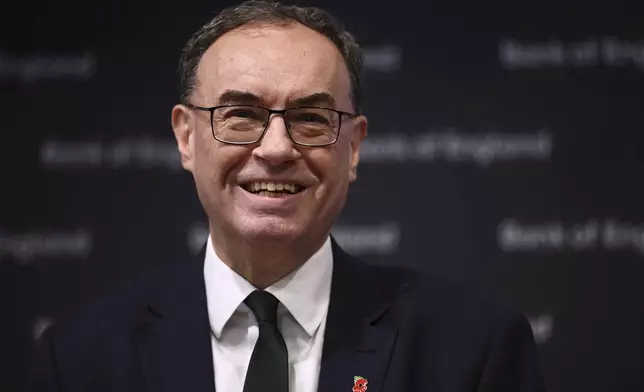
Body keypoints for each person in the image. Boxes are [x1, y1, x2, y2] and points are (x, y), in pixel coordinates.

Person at [28, 1, 545, 391]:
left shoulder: (473, 349)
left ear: (354, 146)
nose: (276, 148)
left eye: (312, 119)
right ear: (187, 137)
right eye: (242, 116)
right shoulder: (79, 359)